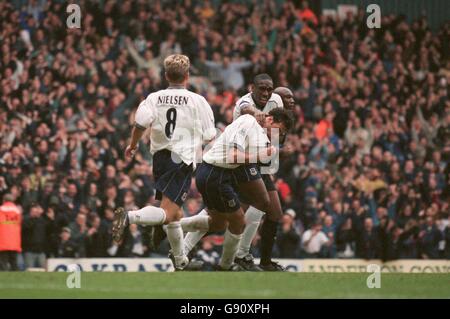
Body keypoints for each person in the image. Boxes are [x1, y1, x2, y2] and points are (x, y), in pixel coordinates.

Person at [112, 54, 216, 271]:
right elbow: (209, 135)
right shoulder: (198, 101)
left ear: (166, 75)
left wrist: (132, 145)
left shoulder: (154, 97)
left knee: (175, 214)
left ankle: (180, 261)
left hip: (159, 159)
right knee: (168, 212)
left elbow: (140, 123)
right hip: (181, 160)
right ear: (187, 76)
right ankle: (129, 217)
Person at [185, 107, 293, 270]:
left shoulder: (263, 136)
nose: (278, 135)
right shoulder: (249, 121)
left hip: (222, 173)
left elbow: (257, 157)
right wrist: (261, 155)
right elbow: (233, 155)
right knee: (233, 219)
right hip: (214, 172)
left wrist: (276, 152)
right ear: (270, 120)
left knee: (225, 222)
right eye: (279, 130)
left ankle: (228, 263)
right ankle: (172, 228)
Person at [233, 79, 294, 271]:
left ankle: (261, 260)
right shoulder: (250, 104)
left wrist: (273, 162)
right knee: (226, 215)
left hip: (261, 164)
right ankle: (240, 255)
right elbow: (246, 109)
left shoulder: (280, 116)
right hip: (243, 161)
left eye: (292, 97)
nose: (291, 100)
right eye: (288, 97)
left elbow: (272, 143)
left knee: (273, 212)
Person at [0, 194, 21, 271]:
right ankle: (16, 279)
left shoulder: (1, 209)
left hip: (3, 240)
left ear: (4, 200)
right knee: (14, 262)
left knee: (3, 262)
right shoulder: (17, 211)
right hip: (14, 241)